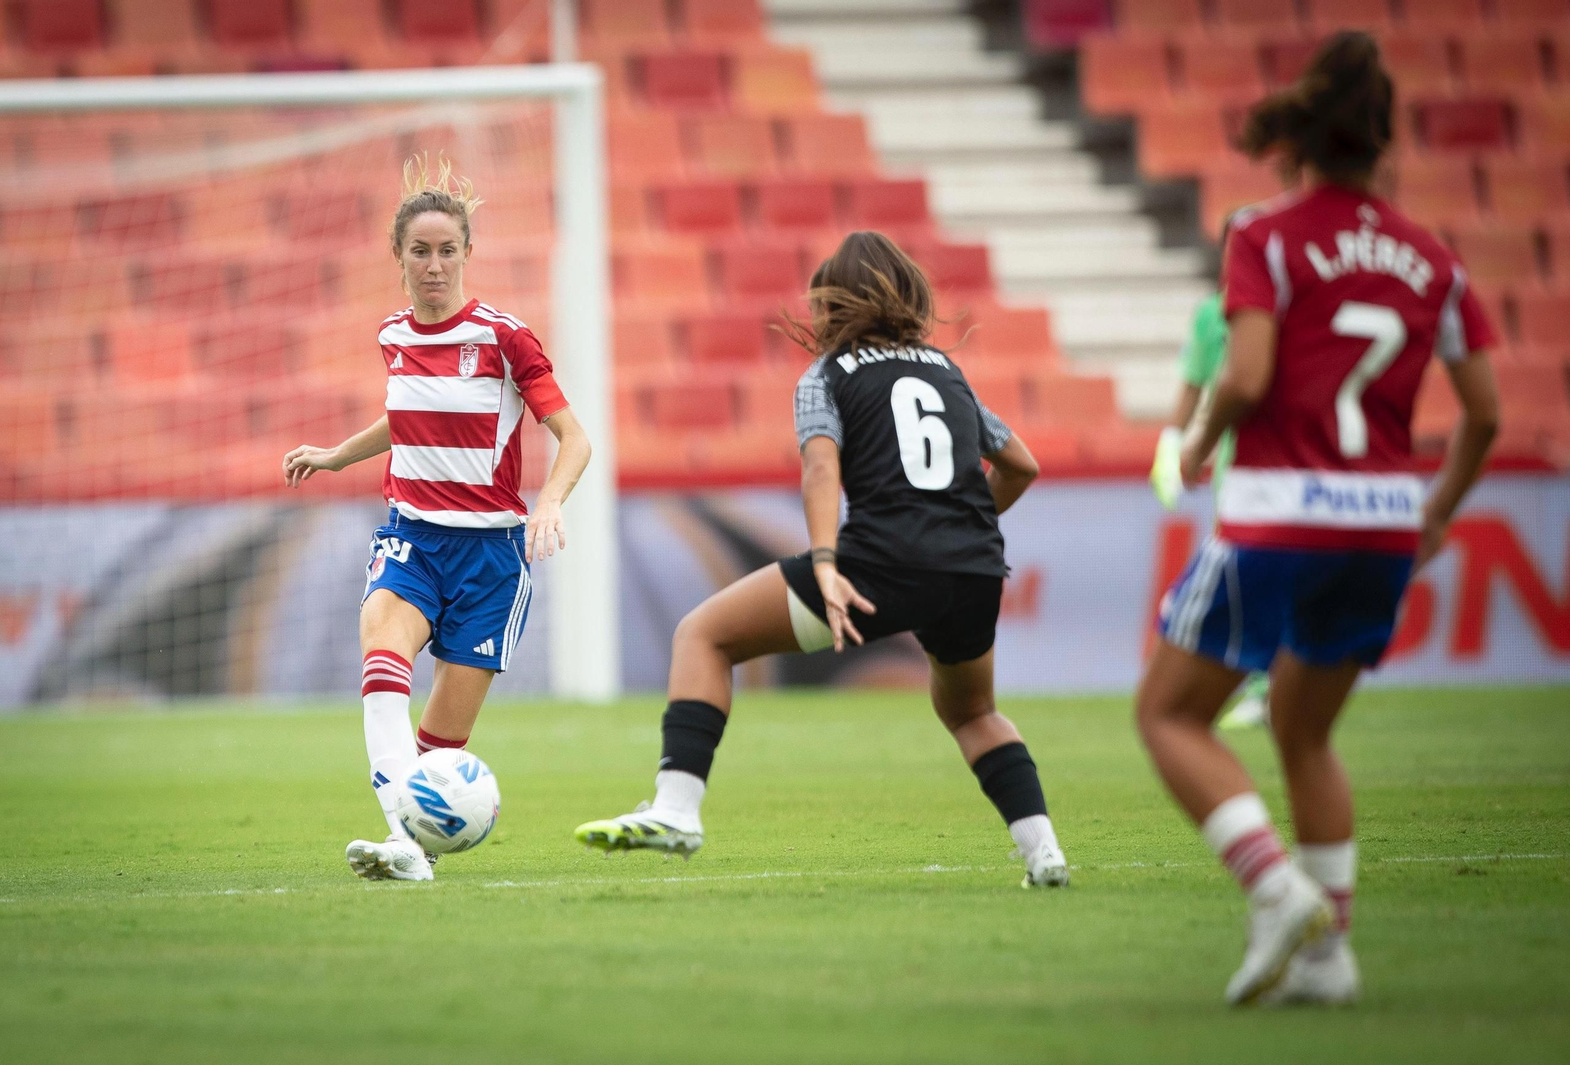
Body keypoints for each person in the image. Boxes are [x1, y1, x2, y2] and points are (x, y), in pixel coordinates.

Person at [1136, 32, 1500, 1006]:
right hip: (1381, 523)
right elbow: (1486, 413)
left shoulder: (1265, 236)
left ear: (1300, 141)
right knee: (1304, 730)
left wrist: (1201, 439)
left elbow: (1247, 372)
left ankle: (1275, 888)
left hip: (1278, 514)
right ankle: (1329, 958)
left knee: (1168, 713)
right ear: (1384, 145)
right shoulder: (1434, 260)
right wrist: (1434, 513)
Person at [573, 231, 1069, 888]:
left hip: (878, 566)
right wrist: (959, 529)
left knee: (703, 635)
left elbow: (820, 468)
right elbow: (1021, 464)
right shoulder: (946, 373)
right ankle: (1044, 852)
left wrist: (827, 562)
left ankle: (677, 809)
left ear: (830, 305)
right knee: (975, 712)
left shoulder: (827, 376)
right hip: (973, 570)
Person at [281, 156, 592, 882]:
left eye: (448, 250)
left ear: (467, 253)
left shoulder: (505, 339)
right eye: (420, 250)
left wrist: (550, 500)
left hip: (490, 558)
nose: (434, 264)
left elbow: (574, 438)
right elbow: (407, 417)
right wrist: (337, 455)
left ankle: (413, 845)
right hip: (412, 537)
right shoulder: (393, 335)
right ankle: (403, 843)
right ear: (397, 255)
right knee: (382, 652)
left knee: (438, 745)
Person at [1151, 233, 1270, 731]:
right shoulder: (1210, 315)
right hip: (1234, 468)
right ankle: (1262, 685)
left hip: (1276, 463)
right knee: (1251, 574)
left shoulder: (1277, 309)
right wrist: (1172, 442)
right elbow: (1195, 384)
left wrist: (1192, 447)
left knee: (1250, 578)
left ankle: (1265, 686)